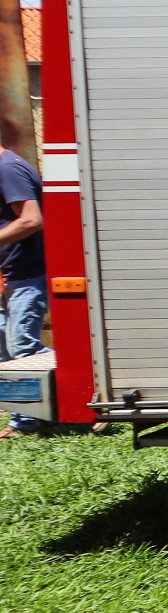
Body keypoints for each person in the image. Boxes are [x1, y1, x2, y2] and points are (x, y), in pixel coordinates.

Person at [0, 143, 46, 438]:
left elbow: (31, 219)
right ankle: (29, 416)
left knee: (22, 349)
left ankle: (26, 422)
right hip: (11, 275)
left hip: (28, 275)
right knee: (7, 351)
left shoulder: (8, 169)